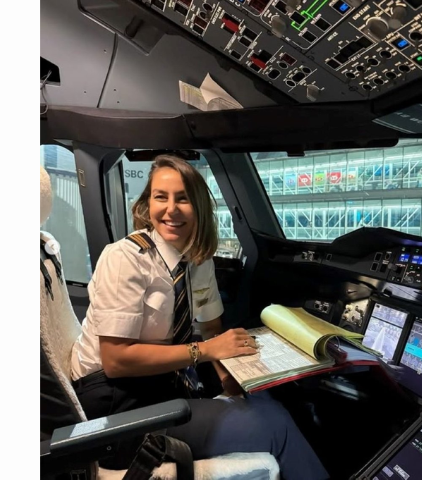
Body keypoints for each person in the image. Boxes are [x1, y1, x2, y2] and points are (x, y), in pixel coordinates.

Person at [70, 154, 329, 479]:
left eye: (183, 199)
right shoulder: (125, 258)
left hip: (156, 384)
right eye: (160, 197)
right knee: (275, 424)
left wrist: (229, 380)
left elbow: (210, 330)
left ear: (200, 208)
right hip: (113, 404)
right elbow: (116, 360)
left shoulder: (197, 259)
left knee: (265, 400)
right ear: (147, 203)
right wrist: (206, 352)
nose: (170, 209)